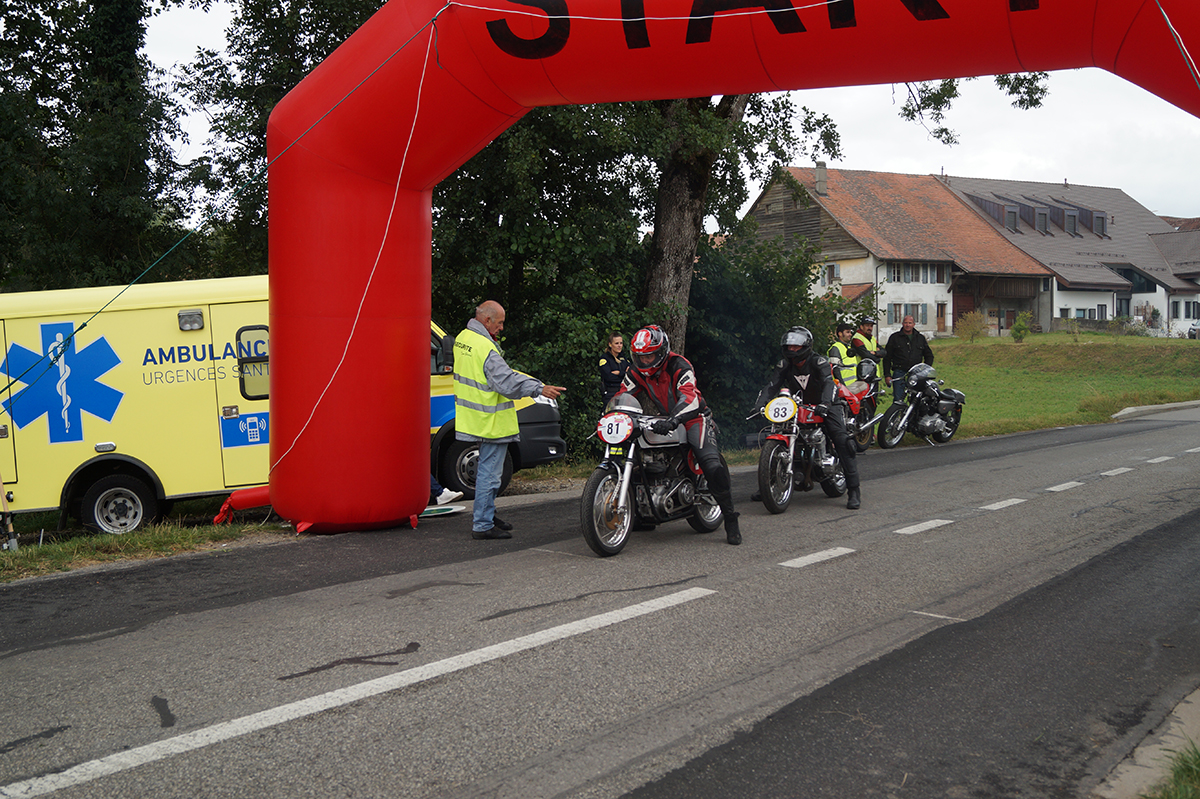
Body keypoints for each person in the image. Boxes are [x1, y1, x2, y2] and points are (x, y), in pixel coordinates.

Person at [615, 325, 741, 545]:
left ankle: (730, 517)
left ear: (662, 351)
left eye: (650, 356)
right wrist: (613, 415)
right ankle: (644, 515)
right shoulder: (635, 371)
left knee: (710, 463)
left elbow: (690, 399)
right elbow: (622, 395)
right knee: (636, 457)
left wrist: (674, 419)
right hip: (664, 418)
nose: (645, 362)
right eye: (640, 357)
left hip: (694, 417)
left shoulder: (679, 365)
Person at [453, 301, 565, 540]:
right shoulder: (485, 347)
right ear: (487, 321)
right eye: (500, 322)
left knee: (487, 471)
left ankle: (487, 514)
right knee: (490, 474)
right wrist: (539, 388)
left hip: (475, 417)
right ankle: (483, 524)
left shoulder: (464, 338)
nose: (502, 327)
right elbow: (506, 382)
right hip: (491, 421)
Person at [754, 326, 862, 510]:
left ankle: (854, 490)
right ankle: (768, 485)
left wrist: (826, 404)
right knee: (781, 431)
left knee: (842, 440)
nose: (791, 350)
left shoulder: (818, 361)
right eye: (789, 346)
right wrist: (760, 404)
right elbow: (772, 385)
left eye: (796, 347)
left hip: (826, 404)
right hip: (799, 406)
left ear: (805, 346)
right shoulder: (785, 364)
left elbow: (828, 382)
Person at [883, 314, 934, 403]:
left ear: (914, 324)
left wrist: (925, 371)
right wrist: (887, 375)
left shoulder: (920, 338)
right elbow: (887, 358)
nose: (907, 325)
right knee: (898, 400)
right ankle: (898, 416)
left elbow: (929, 356)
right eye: (906, 323)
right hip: (899, 373)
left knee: (916, 400)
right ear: (902, 324)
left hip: (916, 374)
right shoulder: (894, 338)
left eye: (910, 323)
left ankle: (913, 417)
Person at [598, 331, 630, 411]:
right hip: (610, 394)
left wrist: (619, 373)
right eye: (616, 343)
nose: (619, 346)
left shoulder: (624, 359)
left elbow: (631, 375)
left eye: (621, 343)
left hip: (624, 393)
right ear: (610, 344)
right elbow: (609, 377)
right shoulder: (605, 359)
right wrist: (624, 374)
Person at [827, 321, 860, 387]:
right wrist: (842, 387)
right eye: (847, 332)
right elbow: (835, 370)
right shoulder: (835, 348)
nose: (850, 334)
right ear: (840, 334)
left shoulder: (849, 348)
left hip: (853, 386)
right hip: (842, 388)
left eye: (850, 332)